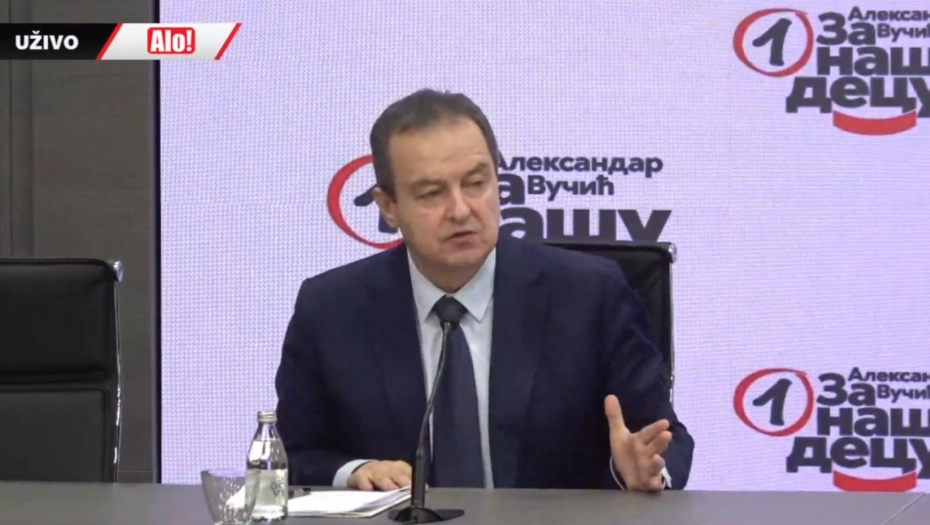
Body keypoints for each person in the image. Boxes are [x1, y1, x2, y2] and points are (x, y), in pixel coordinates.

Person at [274, 89, 694, 492]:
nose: (461, 210)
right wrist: (355, 472)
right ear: (388, 207)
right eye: (431, 193)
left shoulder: (589, 296)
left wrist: (644, 471)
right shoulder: (330, 309)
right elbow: (292, 455)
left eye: (476, 183)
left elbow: (665, 438)